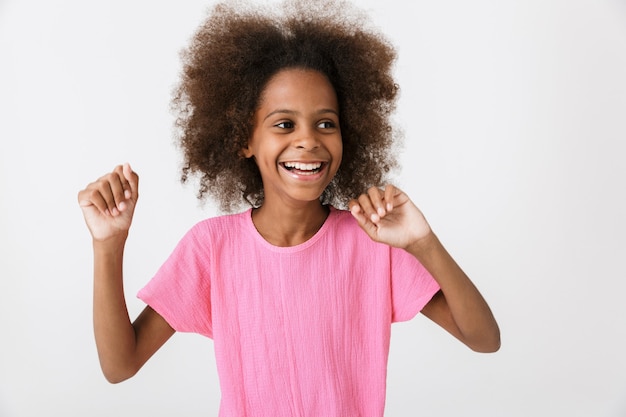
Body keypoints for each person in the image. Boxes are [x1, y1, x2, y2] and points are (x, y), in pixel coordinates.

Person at [77, 0, 500, 415]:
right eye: (284, 124)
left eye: (326, 123)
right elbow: (120, 365)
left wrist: (423, 244)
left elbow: (484, 338)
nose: (308, 140)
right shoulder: (212, 248)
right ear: (245, 139)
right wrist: (108, 246)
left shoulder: (373, 243)